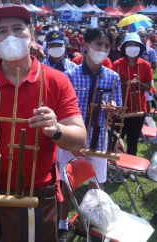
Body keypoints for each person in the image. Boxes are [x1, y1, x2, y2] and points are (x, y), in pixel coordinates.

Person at [0, 6, 86, 241]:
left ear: (32, 35)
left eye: (18, 28)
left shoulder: (56, 81)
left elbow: (79, 138)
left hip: (37, 192)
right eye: (1, 31)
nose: (10, 36)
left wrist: (56, 129)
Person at [58, 27, 122, 241]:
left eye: (106, 45)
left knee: (97, 185)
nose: (102, 49)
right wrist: (70, 141)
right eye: (98, 45)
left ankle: (93, 224)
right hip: (70, 137)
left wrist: (114, 108)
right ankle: (62, 222)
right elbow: (61, 111)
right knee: (67, 184)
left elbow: (119, 111)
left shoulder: (113, 77)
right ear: (86, 47)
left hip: (99, 138)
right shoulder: (70, 76)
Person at [112, 32, 153, 157]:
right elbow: (113, 86)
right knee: (117, 139)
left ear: (140, 47)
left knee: (133, 140)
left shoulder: (145, 65)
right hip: (120, 108)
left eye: (136, 45)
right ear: (124, 47)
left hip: (138, 109)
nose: (133, 47)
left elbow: (148, 88)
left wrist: (138, 83)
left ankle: (129, 166)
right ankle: (115, 166)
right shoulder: (117, 64)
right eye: (130, 44)